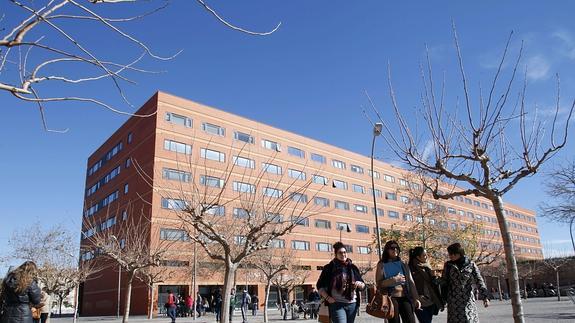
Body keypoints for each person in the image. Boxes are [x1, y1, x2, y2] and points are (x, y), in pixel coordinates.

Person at [316, 241, 365, 323]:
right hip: (336, 304)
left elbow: (363, 285)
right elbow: (319, 286)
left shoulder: (353, 267)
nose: (343, 254)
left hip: (352, 304)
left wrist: (360, 284)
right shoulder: (329, 268)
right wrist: (328, 298)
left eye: (345, 252)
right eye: (340, 253)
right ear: (336, 254)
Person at [441, 243, 489, 323]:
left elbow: (479, 280)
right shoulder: (448, 265)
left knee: (469, 319)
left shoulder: (471, 264)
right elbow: (444, 282)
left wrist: (485, 297)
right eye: (450, 254)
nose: (451, 256)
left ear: (460, 253)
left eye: (453, 254)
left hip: (468, 300)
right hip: (453, 301)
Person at [376, 241, 421, 323]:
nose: (395, 250)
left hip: (405, 297)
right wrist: (393, 281)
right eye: (392, 248)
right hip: (391, 298)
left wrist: (416, 298)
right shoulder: (381, 264)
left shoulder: (403, 263)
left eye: (397, 248)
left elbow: (411, 282)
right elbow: (379, 283)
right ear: (387, 250)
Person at [408, 247, 443, 323]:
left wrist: (434, 276)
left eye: (426, 255)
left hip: (430, 300)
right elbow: (410, 285)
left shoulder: (427, 266)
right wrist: (416, 297)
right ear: (418, 257)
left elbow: (433, 283)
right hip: (420, 301)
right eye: (424, 255)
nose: (426, 257)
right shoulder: (411, 268)